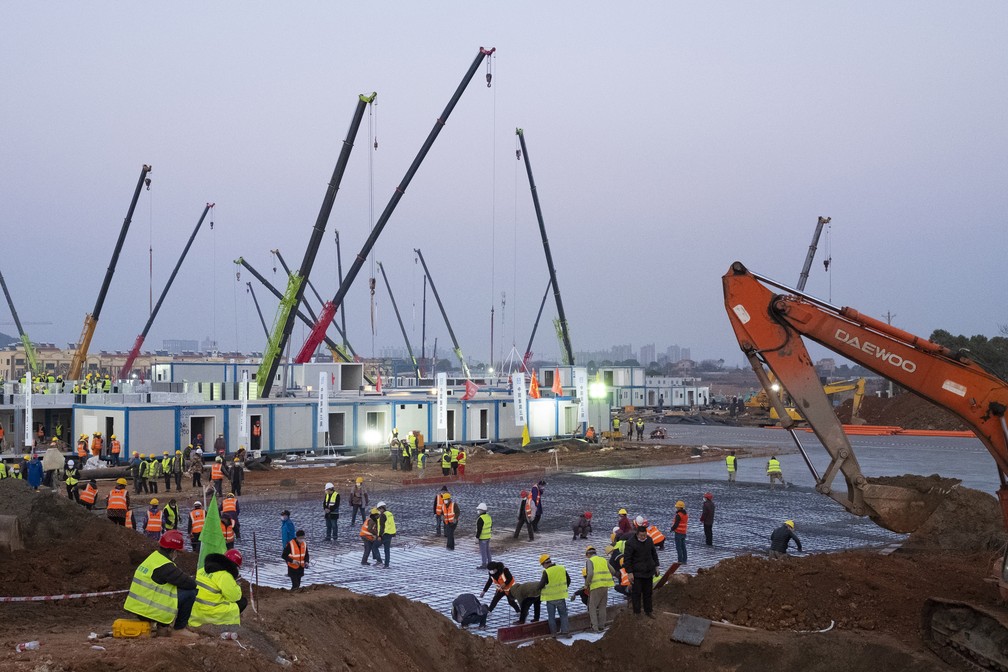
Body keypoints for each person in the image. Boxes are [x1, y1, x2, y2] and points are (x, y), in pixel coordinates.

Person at [123, 530, 197, 635]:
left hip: (138, 608)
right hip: (151, 610)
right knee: (190, 593)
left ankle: (162, 626)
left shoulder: (153, 558)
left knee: (172, 589)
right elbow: (190, 584)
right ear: (173, 551)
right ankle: (179, 628)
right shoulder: (165, 566)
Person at [189, 549, 247, 628]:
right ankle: (226, 624)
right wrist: (236, 586)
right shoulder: (225, 575)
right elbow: (234, 597)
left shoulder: (202, 570)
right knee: (242, 602)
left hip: (195, 611)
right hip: (211, 613)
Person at [624, 525, 659, 618]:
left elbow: (654, 554)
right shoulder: (630, 543)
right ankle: (637, 612)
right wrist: (629, 572)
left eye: (645, 535)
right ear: (637, 534)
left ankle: (648, 611)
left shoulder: (649, 540)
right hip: (637, 573)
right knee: (637, 593)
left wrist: (656, 566)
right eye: (641, 536)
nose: (643, 537)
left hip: (648, 571)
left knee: (648, 593)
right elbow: (627, 559)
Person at [536, 554, 571, 638]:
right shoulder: (561, 568)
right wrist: (562, 589)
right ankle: (565, 632)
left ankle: (554, 634)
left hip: (550, 599)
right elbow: (568, 580)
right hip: (561, 597)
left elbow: (541, 585)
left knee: (551, 617)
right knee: (563, 615)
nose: (543, 567)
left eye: (542, 565)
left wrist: (537, 588)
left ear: (545, 563)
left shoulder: (547, 572)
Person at [584, 546, 615, 633]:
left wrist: (586, 584)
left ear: (589, 554)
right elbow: (612, 571)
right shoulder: (603, 559)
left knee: (592, 607)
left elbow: (590, 574)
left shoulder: (590, 561)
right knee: (602, 607)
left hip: (596, 586)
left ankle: (595, 628)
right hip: (605, 586)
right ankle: (602, 626)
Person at [376, 502, 396, 568]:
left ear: (381, 508)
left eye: (379, 509)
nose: (379, 511)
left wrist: (379, 536)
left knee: (374, 546)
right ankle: (386, 565)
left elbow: (382, 527)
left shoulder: (383, 515)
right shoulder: (389, 514)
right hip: (390, 534)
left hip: (384, 534)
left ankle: (379, 561)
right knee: (387, 550)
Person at [475, 502, 492, 568]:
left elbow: (479, 530)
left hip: (482, 538)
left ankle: (484, 564)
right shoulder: (488, 517)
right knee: (488, 551)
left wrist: (477, 537)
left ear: (482, 510)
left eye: (479, 510)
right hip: (488, 537)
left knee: (483, 552)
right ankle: (490, 563)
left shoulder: (480, 519)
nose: (478, 511)